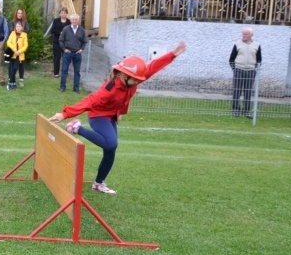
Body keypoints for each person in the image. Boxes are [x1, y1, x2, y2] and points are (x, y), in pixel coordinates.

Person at [49, 41, 187, 195]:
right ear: (123, 75)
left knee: (111, 150)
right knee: (110, 143)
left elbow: (153, 67)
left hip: (111, 116)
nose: (138, 82)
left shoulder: (134, 78)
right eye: (135, 80)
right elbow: (89, 101)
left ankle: (98, 183)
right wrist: (65, 114)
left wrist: (172, 55)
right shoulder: (109, 89)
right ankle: (76, 128)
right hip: (98, 115)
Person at [229, 28, 262, 118]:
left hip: (251, 71)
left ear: (251, 35)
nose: (243, 35)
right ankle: (236, 110)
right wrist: (235, 69)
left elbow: (259, 59)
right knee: (237, 91)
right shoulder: (237, 44)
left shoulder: (257, 45)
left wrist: (255, 69)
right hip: (238, 70)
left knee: (248, 92)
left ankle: (246, 111)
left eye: (246, 34)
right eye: (243, 34)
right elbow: (231, 59)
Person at [58, 13, 87, 93]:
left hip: (77, 53)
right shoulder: (66, 29)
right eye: (73, 19)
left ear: (78, 20)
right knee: (64, 71)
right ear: (70, 20)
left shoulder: (82, 30)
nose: (74, 21)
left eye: (76, 19)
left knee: (77, 72)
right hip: (68, 53)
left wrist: (82, 49)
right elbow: (61, 40)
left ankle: (76, 88)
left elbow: (85, 41)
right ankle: (62, 87)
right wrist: (64, 49)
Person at [5, 21, 28, 90]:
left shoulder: (24, 35)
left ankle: (10, 82)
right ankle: (13, 82)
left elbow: (25, 45)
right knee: (11, 68)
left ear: (22, 27)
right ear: (15, 27)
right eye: (17, 26)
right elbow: (8, 42)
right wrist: (14, 50)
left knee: (15, 68)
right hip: (12, 54)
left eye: (19, 26)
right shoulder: (12, 33)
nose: (18, 28)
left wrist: (19, 51)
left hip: (19, 55)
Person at [49, 8, 68, 77]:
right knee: (57, 58)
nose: (63, 14)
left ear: (67, 14)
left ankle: (64, 72)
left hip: (66, 42)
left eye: (65, 13)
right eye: (62, 13)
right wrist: (60, 33)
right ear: (60, 13)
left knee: (65, 58)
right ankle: (56, 73)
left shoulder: (69, 21)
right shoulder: (56, 21)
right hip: (57, 41)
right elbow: (53, 30)